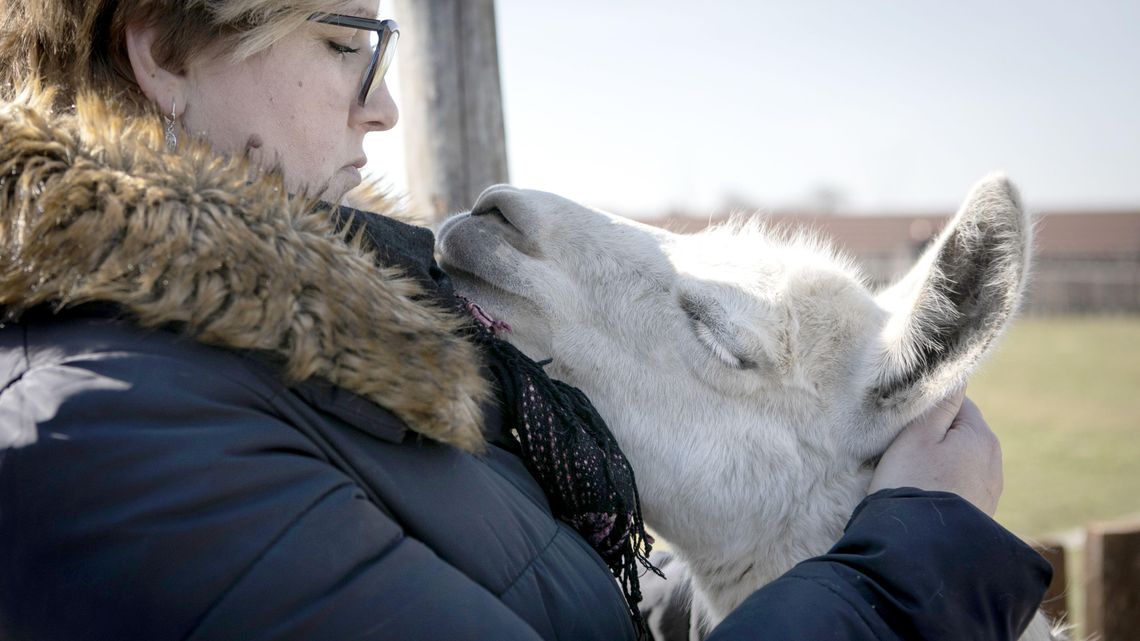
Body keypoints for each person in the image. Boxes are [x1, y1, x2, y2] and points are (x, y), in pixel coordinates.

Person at [0, 1, 1050, 640]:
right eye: (340, 40)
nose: (385, 107)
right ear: (165, 56)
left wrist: (758, 578)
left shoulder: (352, 367)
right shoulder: (106, 429)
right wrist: (914, 560)